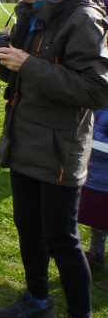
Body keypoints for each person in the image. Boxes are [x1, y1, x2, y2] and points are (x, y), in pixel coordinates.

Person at [0, 0, 108, 318]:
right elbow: (19, 79)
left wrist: (29, 64)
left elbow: (95, 90)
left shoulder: (83, 19)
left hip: (59, 152)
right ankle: (38, 301)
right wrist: (0, 55)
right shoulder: (30, 12)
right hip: (23, 141)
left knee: (61, 240)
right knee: (28, 229)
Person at [79, 105, 108, 291]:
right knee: (97, 219)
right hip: (95, 175)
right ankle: (97, 254)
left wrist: (90, 137)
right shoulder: (101, 104)